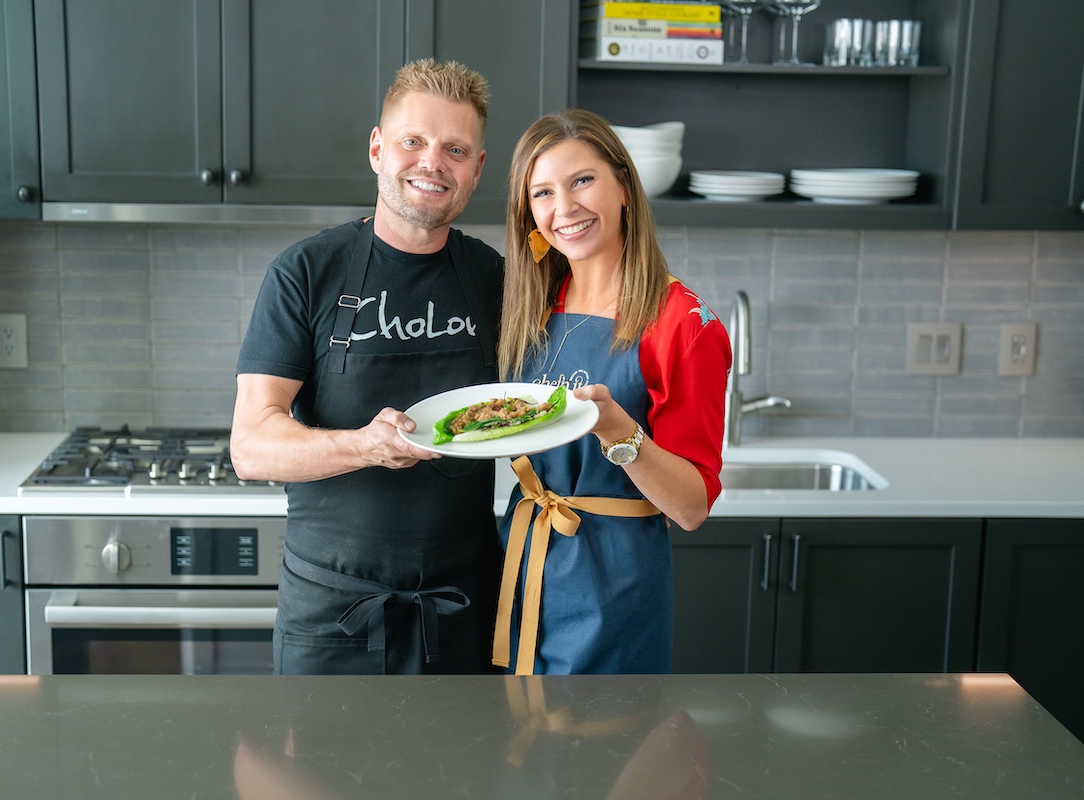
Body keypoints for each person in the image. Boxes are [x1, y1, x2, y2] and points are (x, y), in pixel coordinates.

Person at [230, 59, 503, 675]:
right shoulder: (305, 272)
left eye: (455, 149)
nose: (433, 162)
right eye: (413, 141)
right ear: (378, 148)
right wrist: (366, 446)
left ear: (477, 168)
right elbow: (250, 448)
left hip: (465, 608)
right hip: (334, 617)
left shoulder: (493, 278)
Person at [492, 109, 732, 675]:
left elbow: (691, 507)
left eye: (582, 180)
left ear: (624, 186)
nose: (565, 208)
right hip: (520, 564)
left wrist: (617, 430)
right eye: (543, 192)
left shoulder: (684, 324)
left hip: (612, 591)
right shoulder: (533, 305)